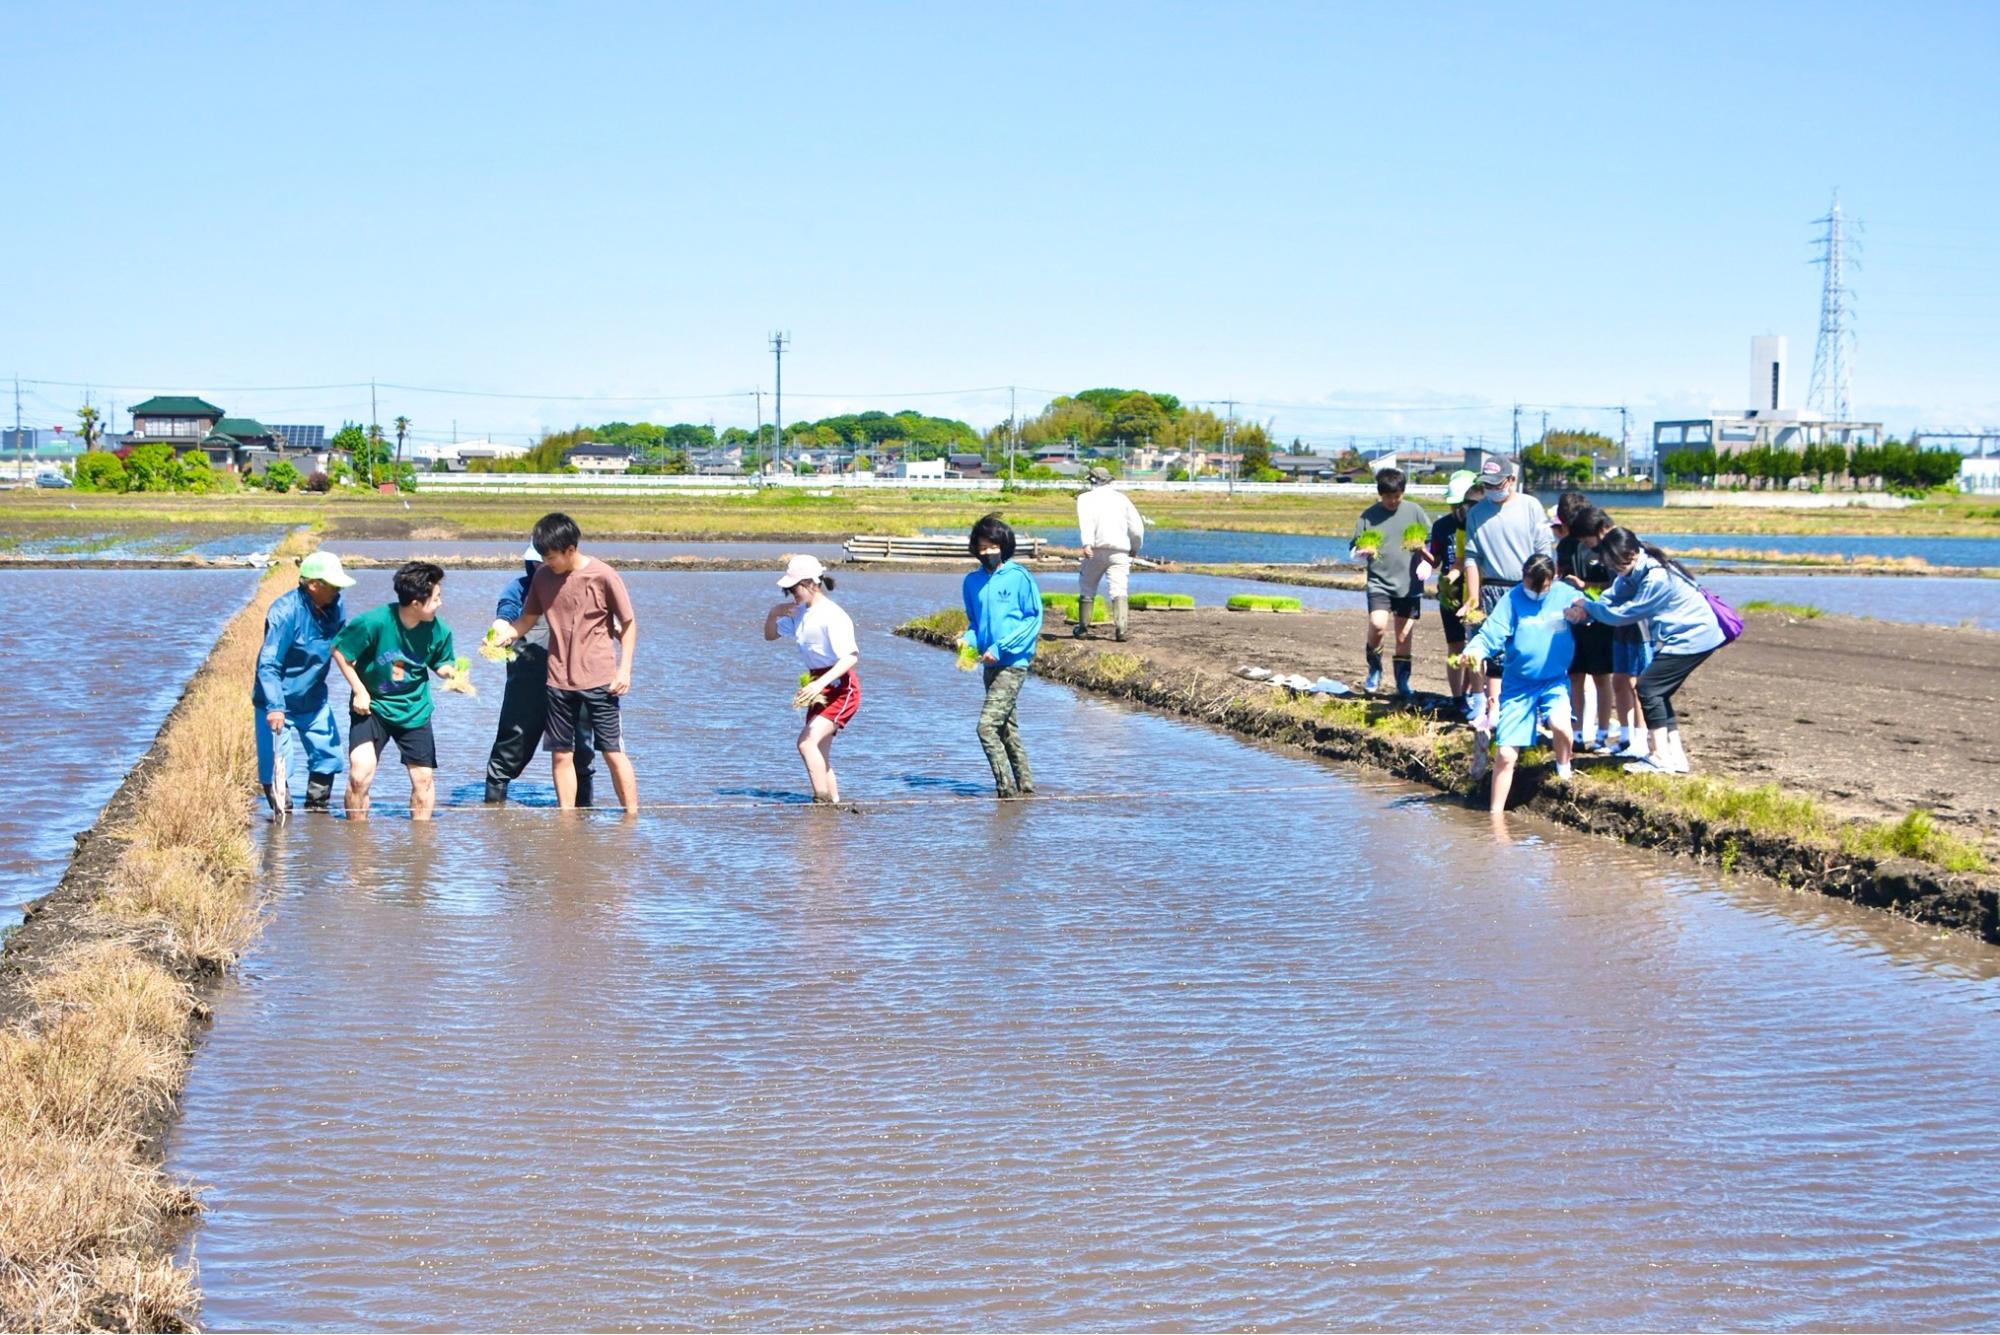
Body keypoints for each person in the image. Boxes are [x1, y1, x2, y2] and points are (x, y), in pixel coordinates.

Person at [492, 512, 640, 813]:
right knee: (561, 755)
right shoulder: (543, 579)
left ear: (571, 549)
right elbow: (525, 619)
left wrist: (624, 670)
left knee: (612, 753)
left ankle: (632, 818)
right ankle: (567, 821)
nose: (546, 564)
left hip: (600, 681)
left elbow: (628, 624)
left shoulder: (603, 575)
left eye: (551, 557)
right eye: (542, 558)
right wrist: (504, 635)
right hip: (557, 681)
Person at [1567, 527, 1727, 776]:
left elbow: (1625, 614)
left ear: (1631, 553)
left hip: (1694, 636)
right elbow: (1612, 598)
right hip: (1679, 637)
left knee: (1647, 688)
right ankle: (1676, 757)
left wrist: (1587, 607)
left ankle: (1660, 756)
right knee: (1657, 692)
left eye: (1617, 563)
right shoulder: (1632, 570)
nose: (1616, 569)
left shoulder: (1656, 577)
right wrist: (1585, 611)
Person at [330, 561, 463, 821]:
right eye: (436, 598)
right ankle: (357, 844)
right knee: (359, 774)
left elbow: (441, 662)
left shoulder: (439, 629)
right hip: (372, 706)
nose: (440, 603)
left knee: (423, 779)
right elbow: (340, 651)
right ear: (416, 603)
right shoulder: (373, 622)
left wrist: (453, 676)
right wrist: (359, 690)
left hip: (414, 709)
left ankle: (421, 846)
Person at [1460, 553, 1583, 812]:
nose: (1536, 592)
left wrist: (1581, 613)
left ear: (1554, 578)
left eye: (1543, 588)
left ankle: (1563, 771)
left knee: (1561, 726)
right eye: (1530, 586)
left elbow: (1589, 609)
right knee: (1505, 755)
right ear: (1523, 577)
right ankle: (1495, 816)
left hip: (1554, 681)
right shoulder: (1513, 598)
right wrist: (1474, 651)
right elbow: (1490, 633)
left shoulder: (1564, 593)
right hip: (1518, 685)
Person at [1460, 454, 1554, 774]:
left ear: (1511, 480)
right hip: (1493, 588)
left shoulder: (1530, 507)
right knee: (1496, 655)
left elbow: (1545, 553)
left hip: (1528, 585)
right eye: (1485, 485)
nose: (1490, 490)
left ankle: (1537, 716)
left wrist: (1542, 591)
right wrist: (1473, 598)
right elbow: (1472, 558)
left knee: (1530, 652)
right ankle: (1495, 712)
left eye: (1495, 484)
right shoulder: (1477, 513)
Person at [483, 543, 594, 806]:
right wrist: (498, 631)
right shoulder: (520, 588)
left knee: (581, 752)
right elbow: (505, 614)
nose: (542, 567)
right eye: (537, 563)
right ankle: (493, 811)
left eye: (547, 561)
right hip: (528, 681)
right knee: (513, 743)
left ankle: (581, 817)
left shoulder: (579, 584)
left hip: (575, 679)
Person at [253, 549, 354, 815]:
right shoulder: (285, 612)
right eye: (332, 585)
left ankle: (317, 813)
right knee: (277, 762)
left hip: (313, 698)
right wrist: (275, 706)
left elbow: (343, 648)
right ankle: (282, 817)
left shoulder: (336, 607)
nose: (337, 591)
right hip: (277, 702)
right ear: (313, 585)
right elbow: (269, 663)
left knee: (329, 755)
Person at [764, 554, 860, 804]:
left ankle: (822, 802)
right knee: (819, 752)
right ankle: (834, 805)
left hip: (840, 687)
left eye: (793, 588)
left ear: (811, 583)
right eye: (787, 590)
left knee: (806, 743)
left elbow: (850, 658)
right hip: (817, 687)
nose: (791, 594)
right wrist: (773, 613)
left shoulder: (833, 615)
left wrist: (819, 683)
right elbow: (770, 636)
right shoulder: (800, 613)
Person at [962, 513, 1043, 799]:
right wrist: (966, 643)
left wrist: (1001, 647)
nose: (988, 553)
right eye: (982, 548)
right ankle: (1027, 787)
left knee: (986, 728)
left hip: (1014, 663)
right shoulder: (971, 582)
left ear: (1004, 546)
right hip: (989, 666)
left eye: (993, 547)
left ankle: (1005, 790)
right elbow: (975, 623)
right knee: (1006, 728)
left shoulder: (1020, 577)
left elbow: (1032, 619)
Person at [1569, 506, 1651, 757]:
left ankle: (1641, 739)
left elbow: (1626, 591)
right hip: (1620, 624)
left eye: (1586, 539)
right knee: (1620, 680)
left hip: (1637, 624)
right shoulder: (1609, 550)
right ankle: (1626, 738)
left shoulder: (1623, 546)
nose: (1588, 546)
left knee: (1637, 683)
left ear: (1600, 530)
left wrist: (1592, 605)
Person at [1349, 467, 1431, 697]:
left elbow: (1432, 541)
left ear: (1403, 492)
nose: (1393, 501)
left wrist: (1425, 561)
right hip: (1379, 582)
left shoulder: (1415, 511)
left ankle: (1402, 682)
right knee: (1377, 625)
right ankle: (1374, 669)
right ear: (1380, 493)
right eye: (1388, 497)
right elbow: (1353, 547)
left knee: (1404, 635)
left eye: (1397, 496)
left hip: (1410, 584)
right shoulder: (1368, 516)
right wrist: (1361, 551)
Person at [1554, 495, 1615, 752]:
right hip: (1573, 618)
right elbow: (1560, 576)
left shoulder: (1604, 545)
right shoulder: (1565, 547)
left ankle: (1602, 732)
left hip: (1600, 618)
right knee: (1575, 675)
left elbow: (1614, 584)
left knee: (1602, 676)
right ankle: (1577, 732)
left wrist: (1586, 586)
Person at [1428, 470, 1484, 717]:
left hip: (1476, 593)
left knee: (1476, 644)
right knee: (1455, 645)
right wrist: (1422, 556)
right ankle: (1458, 697)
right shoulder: (1442, 526)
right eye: (1451, 505)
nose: (1455, 510)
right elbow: (1437, 559)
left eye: (1458, 504)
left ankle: (1473, 693)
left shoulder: (1480, 524)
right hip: (1450, 594)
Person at [1075, 465, 1145, 642]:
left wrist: (1087, 543)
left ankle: (1083, 628)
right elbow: (1136, 528)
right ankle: (1121, 629)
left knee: (1087, 587)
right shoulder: (1122, 499)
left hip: (1096, 550)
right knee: (1119, 589)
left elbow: (1086, 523)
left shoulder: (1084, 499)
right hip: (1120, 551)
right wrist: (1135, 546)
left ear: (1092, 481)